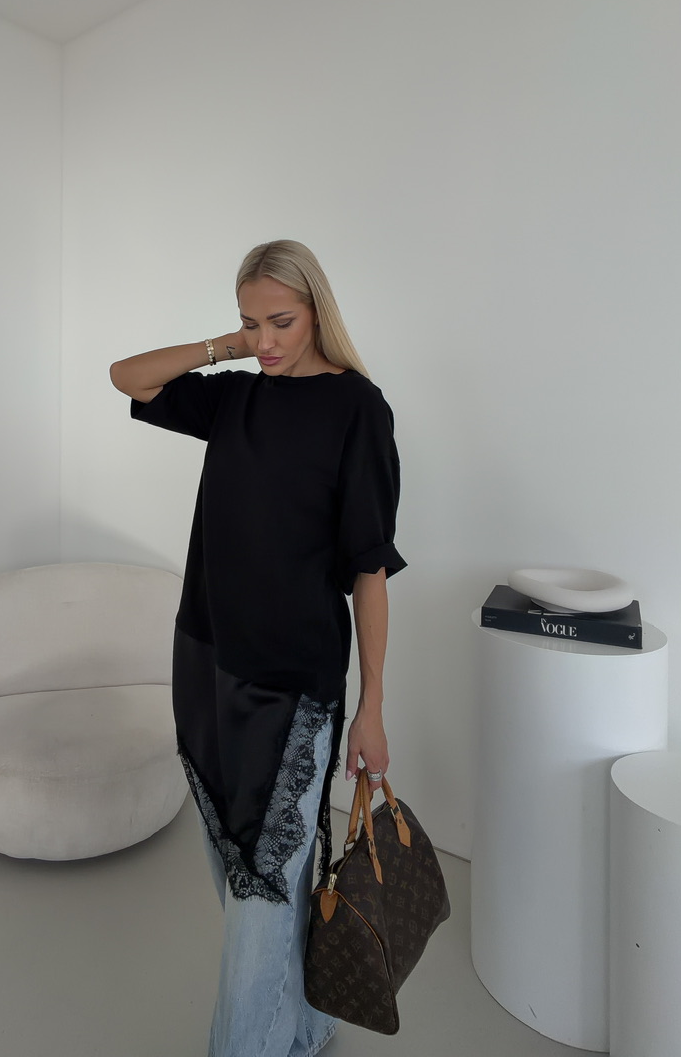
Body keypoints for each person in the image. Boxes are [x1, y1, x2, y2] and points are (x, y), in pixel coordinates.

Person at [109, 239, 406, 1057]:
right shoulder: (236, 396)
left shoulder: (358, 410)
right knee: (240, 876)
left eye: (281, 321)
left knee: (260, 901)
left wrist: (372, 707)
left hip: (293, 682)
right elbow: (127, 377)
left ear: (317, 312)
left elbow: (370, 572)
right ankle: (304, 1029)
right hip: (207, 663)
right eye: (251, 323)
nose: (265, 340)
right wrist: (225, 347)